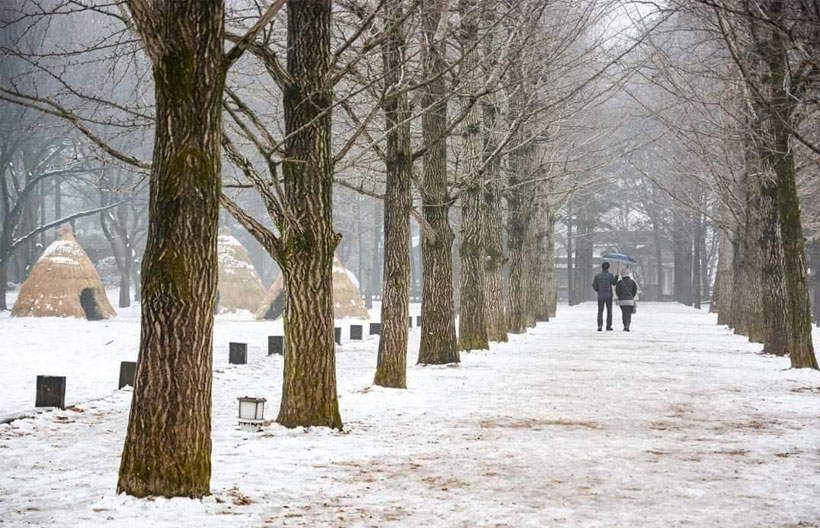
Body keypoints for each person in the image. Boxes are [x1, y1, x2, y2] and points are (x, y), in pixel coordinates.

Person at [592, 261, 618, 331]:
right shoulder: (610, 275)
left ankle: (600, 325)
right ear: (608, 268)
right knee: (609, 311)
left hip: (600, 296)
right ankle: (608, 326)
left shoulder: (597, 276)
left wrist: (598, 290)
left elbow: (594, 285)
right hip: (608, 295)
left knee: (600, 311)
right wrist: (616, 277)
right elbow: (614, 283)